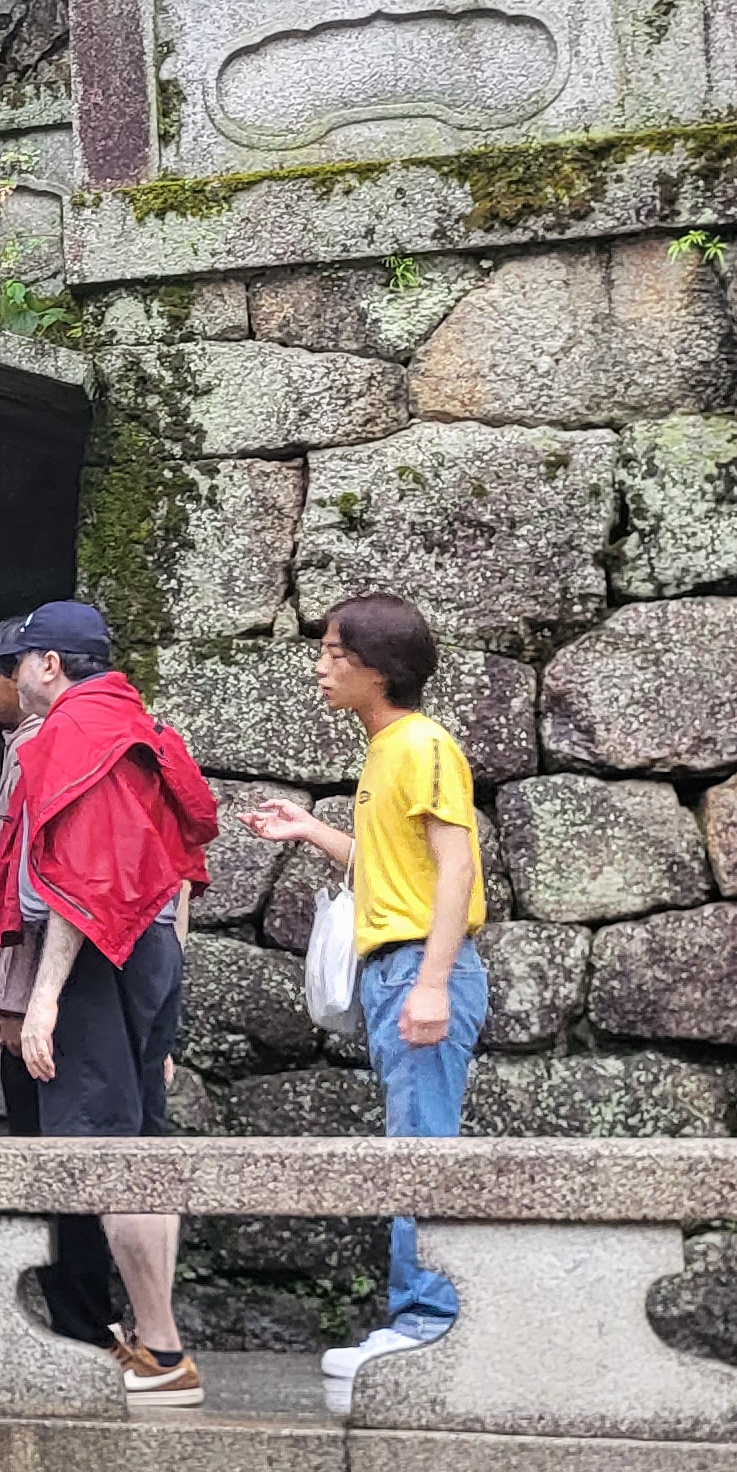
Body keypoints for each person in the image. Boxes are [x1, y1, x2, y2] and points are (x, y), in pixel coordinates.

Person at [243, 595, 487, 1414]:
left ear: (378, 670)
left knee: (421, 1151)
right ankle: (420, 1318)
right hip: (400, 967)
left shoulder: (421, 745)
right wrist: (311, 830)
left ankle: (427, 1324)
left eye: (335, 654)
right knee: (410, 1145)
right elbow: (393, 868)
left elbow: (456, 869)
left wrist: (431, 983)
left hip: (419, 966)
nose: (321, 667)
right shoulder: (388, 748)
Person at [0, 601, 218, 1409]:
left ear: (50, 664)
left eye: (22, 660)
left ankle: (163, 1352)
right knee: (142, 1152)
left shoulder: (70, 732)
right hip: (151, 946)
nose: (14, 675)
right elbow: (184, 858)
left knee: (107, 1156)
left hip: (95, 953)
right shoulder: (143, 727)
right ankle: (160, 1342)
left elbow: (78, 882)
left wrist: (44, 999)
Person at [0, 614, 118, 1345]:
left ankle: (82, 1323)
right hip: (77, 988)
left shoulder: (46, 745)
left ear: (36, 669)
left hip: (52, 994)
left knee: (59, 1160)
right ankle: (84, 1317)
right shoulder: (61, 740)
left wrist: (23, 1003)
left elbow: (41, 892)